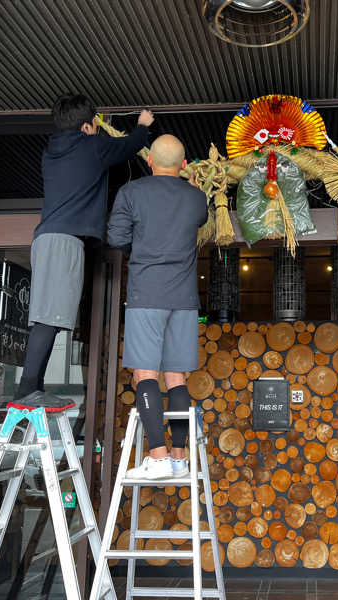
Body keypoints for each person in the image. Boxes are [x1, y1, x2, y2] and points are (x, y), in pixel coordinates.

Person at [14, 94, 154, 409]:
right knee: (49, 317)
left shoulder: (51, 152)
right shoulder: (92, 146)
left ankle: (32, 387)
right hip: (64, 241)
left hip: (48, 238)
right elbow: (129, 146)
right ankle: (26, 389)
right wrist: (143, 125)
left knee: (48, 315)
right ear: (88, 126)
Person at [107, 134, 207, 479]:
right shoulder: (196, 198)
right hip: (184, 299)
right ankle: (179, 458)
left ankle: (159, 456)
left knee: (145, 374)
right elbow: (199, 216)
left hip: (146, 294)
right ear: (183, 165)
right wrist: (191, 187)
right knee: (176, 376)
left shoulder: (131, 193)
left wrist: (145, 248)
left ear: (149, 161)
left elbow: (117, 238)